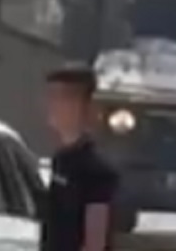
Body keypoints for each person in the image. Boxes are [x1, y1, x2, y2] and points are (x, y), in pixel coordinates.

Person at [40, 63, 118, 251]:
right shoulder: (61, 160)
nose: (53, 106)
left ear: (85, 106)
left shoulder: (96, 171)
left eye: (63, 98)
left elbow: (95, 242)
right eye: (51, 96)